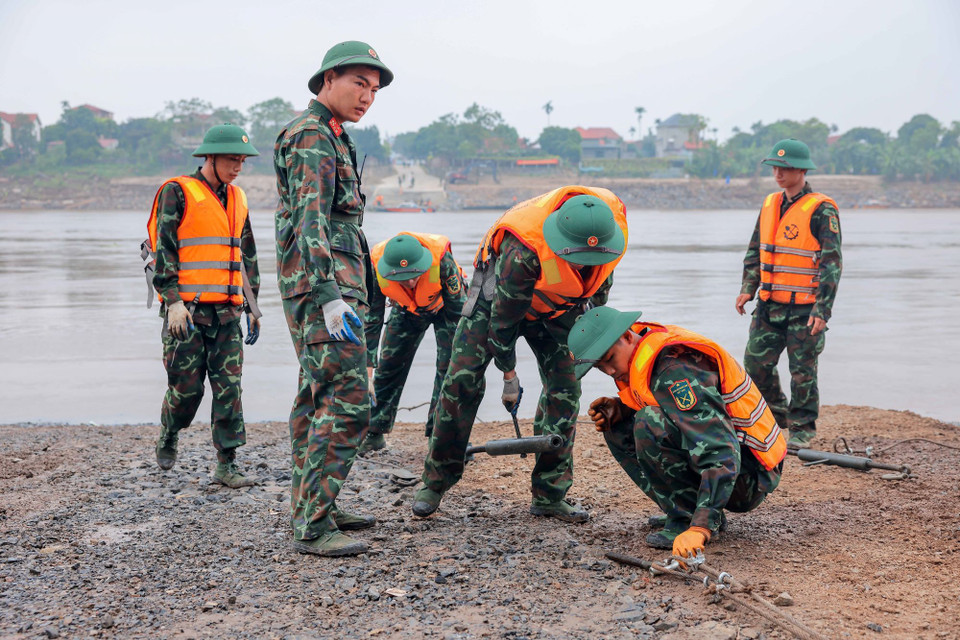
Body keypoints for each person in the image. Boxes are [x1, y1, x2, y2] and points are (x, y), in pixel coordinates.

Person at [411, 186, 629, 523]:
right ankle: (435, 481)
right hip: (495, 302)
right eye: (576, 259)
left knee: (566, 387)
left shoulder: (608, 238)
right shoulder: (523, 250)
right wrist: (509, 376)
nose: (584, 264)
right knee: (460, 382)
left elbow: (597, 298)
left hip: (559, 306)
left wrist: (591, 344)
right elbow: (503, 323)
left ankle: (549, 493)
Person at [273, 40, 393, 557]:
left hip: (337, 285)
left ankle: (315, 506)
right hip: (326, 287)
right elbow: (310, 218)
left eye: (374, 89)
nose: (367, 96)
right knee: (348, 401)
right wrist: (328, 296)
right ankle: (314, 524)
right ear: (328, 80)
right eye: (358, 83)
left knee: (317, 396)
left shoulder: (332, 136)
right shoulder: (311, 135)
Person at [569, 306, 785, 562]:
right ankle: (684, 510)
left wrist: (700, 528)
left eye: (609, 359)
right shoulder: (645, 353)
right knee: (619, 427)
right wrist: (622, 409)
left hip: (748, 476)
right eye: (600, 367)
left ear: (627, 336)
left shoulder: (673, 368)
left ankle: (691, 520)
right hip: (737, 466)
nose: (610, 371)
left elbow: (720, 449)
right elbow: (667, 405)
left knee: (648, 422)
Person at [145, 123, 261, 488]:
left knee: (229, 389)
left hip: (227, 313)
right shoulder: (177, 192)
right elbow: (164, 250)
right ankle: (169, 430)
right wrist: (172, 301)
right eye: (231, 159)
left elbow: (246, 256)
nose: (238, 167)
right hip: (187, 314)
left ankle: (227, 463)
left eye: (242, 160)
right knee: (187, 390)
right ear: (210, 157)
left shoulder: (238, 198)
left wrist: (253, 307)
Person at [735, 139, 842, 449]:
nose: (778, 174)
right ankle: (779, 413)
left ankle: (802, 429)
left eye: (785, 168)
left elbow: (832, 263)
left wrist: (823, 310)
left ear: (802, 170)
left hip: (805, 310)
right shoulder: (770, 204)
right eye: (775, 168)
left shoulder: (822, 209)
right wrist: (747, 289)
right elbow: (755, 251)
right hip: (769, 305)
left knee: (802, 372)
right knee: (755, 365)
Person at [359, 232, 467, 453]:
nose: (409, 282)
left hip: (445, 308)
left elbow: (459, 315)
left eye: (414, 275)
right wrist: (367, 371)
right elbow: (372, 320)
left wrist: (463, 355)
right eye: (403, 278)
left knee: (448, 368)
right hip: (407, 309)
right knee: (388, 366)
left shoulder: (441, 260)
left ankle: (441, 436)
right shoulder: (376, 267)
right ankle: (374, 432)